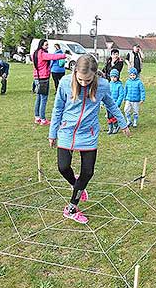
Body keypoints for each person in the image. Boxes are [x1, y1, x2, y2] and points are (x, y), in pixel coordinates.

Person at [48, 55, 130, 224]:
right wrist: (52, 132)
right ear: (74, 72)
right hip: (67, 130)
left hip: (89, 133)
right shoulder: (64, 83)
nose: (84, 83)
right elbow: (57, 108)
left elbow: (111, 104)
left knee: (88, 172)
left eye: (88, 80)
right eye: (80, 79)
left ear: (94, 75)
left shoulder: (102, 85)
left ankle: (71, 208)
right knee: (63, 167)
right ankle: (76, 184)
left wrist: (123, 123)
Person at [32, 39, 66, 125]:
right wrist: (64, 55)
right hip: (43, 78)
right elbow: (53, 57)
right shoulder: (42, 54)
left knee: (38, 98)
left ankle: (37, 117)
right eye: (46, 45)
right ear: (41, 45)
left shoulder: (35, 53)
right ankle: (43, 119)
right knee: (44, 98)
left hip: (37, 77)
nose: (47, 47)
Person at [106, 69, 125, 134]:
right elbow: (106, 94)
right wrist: (103, 102)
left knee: (113, 116)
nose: (113, 78)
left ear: (117, 77)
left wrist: (117, 103)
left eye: (115, 77)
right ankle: (110, 127)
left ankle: (116, 126)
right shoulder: (108, 84)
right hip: (108, 104)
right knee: (109, 116)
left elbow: (121, 95)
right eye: (112, 77)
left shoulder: (119, 86)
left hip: (115, 104)